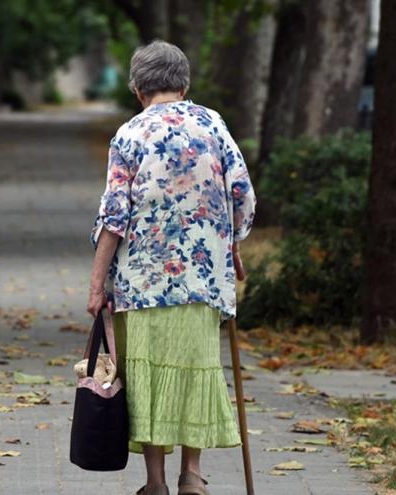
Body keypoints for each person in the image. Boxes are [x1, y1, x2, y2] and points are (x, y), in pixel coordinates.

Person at [87, 40, 256, 495]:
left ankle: (156, 483)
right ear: (184, 84)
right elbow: (242, 194)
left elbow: (114, 217)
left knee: (149, 379)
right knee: (195, 370)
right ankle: (192, 476)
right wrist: (233, 243)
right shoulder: (213, 125)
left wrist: (96, 282)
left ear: (138, 88)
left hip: (142, 284)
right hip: (203, 282)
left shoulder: (130, 135)